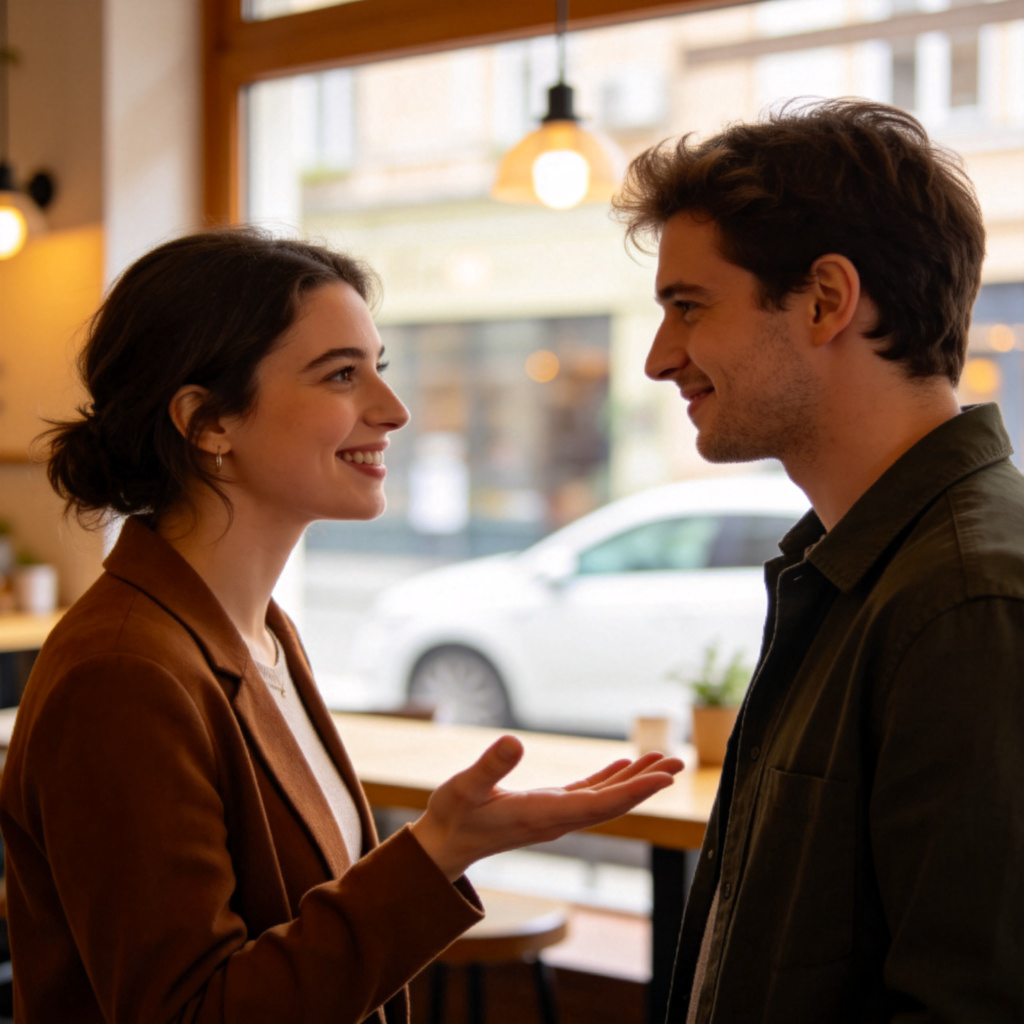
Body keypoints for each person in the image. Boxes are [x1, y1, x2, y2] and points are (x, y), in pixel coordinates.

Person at [0, 228, 683, 1024]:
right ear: (207, 421)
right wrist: (438, 852)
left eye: (379, 369)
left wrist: (443, 843)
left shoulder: (259, 633)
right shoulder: (123, 673)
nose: (392, 411)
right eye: (340, 375)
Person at [612, 98, 1024, 1021]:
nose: (658, 357)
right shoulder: (859, 565)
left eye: (688, 306)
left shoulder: (969, 597)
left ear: (828, 300)